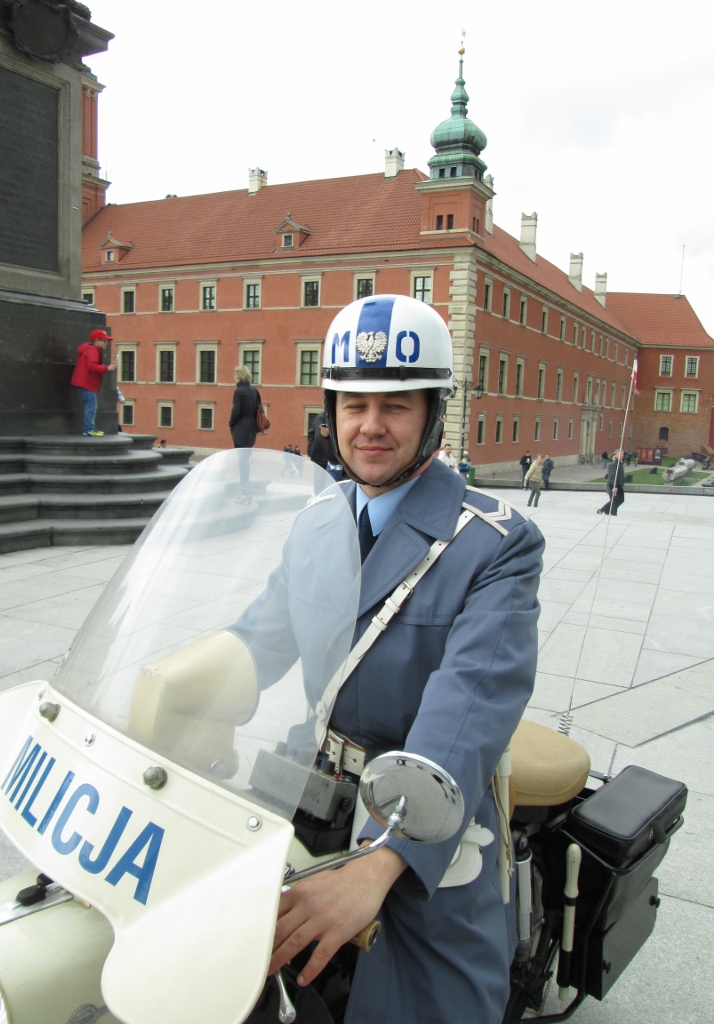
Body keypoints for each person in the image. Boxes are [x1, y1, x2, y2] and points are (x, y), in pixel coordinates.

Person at [267, 295, 544, 1024]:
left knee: (433, 1004)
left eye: (395, 405)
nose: (370, 426)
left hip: (425, 817)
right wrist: (173, 685)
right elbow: (255, 636)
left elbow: (468, 707)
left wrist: (382, 858)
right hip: (308, 786)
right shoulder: (316, 522)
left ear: (432, 416)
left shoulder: (493, 544)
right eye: (354, 404)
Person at [70, 328, 117, 436]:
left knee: (90, 406)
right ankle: (89, 429)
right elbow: (92, 367)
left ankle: (89, 429)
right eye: (104, 341)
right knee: (91, 406)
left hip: (83, 383)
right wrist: (107, 368)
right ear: (97, 341)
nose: (106, 343)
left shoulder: (89, 349)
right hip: (86, 383)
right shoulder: (93, 351)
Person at [229, 366, 261, 493]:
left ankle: (245, 492)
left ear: (238, 376)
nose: (234, 377)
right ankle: (245, 490)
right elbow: (257, 411)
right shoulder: (254, 391)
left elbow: (235, 412)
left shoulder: (238, 392)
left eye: (235, 375)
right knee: (245, 462)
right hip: (251, 431)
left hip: (240, 431)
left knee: (242, 463)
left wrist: (231, 424)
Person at [308, 411, 343, 481]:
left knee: (333, 485)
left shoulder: (339, 416)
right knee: (319, 484)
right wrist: (311, 449)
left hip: (332, 461)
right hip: (318, 459)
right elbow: (311, 433)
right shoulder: (319, 416)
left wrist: (330, 434)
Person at [597, 450, 625, 516]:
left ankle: (605, 510)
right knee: (614, 501)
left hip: (619, 485)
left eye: (622, 454)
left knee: (621, 500)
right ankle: (611, 514)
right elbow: (612, 476)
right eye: (620, 454)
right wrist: (614, 486)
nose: (621, 456)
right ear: (616, 455)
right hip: (613, 485)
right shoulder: (613, 464)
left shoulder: (619, 463)